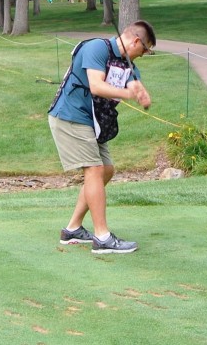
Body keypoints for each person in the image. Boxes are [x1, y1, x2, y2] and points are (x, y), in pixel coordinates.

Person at [47, 20, 155, 254]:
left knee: (106, 170)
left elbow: (134, 83)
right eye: (145, 49)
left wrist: (141, 92)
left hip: (93, 122)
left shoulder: (129, 65)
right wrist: (129, 94)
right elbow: (96, 86)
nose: (144, 54)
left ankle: (72, 229)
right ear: (136, 41)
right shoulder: (96, 48)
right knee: (95, 170)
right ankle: (102, 237)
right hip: (70, 115)